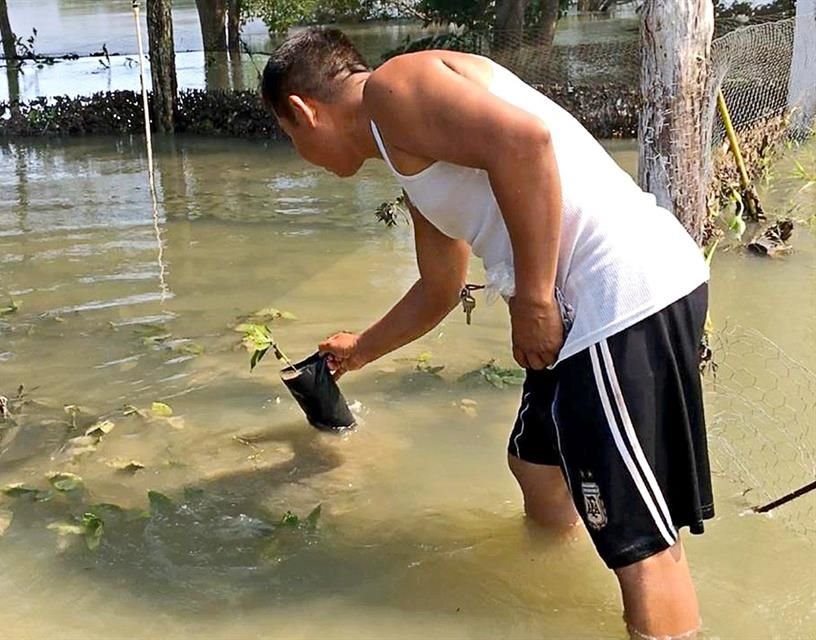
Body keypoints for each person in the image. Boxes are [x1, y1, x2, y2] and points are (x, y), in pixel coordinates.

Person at [260, 27, 713, 640]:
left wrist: (533, 297)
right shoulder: (408, 152)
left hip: (616, 296)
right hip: (578, 307)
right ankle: (547, 579)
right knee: (534, 463)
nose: (300, 153)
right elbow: (438, 288)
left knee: (638, 544)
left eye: (290, 137)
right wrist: (361, 349)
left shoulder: (394, 90)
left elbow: (525, 143)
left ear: (302, 110)